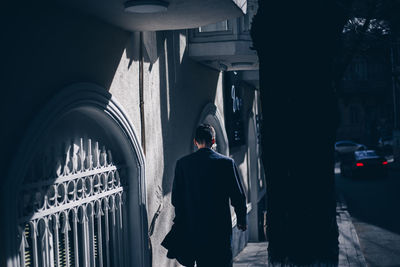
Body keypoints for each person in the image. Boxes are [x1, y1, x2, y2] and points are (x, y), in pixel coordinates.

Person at [162, 124, 247, 267]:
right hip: (220, 230)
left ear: (195, 142)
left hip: (195, 230)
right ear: (213, 141)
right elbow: (237, 196)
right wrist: (241, 219)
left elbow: (176, 199)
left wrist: (183, 221)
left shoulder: (183, 164)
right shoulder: (226, 163)